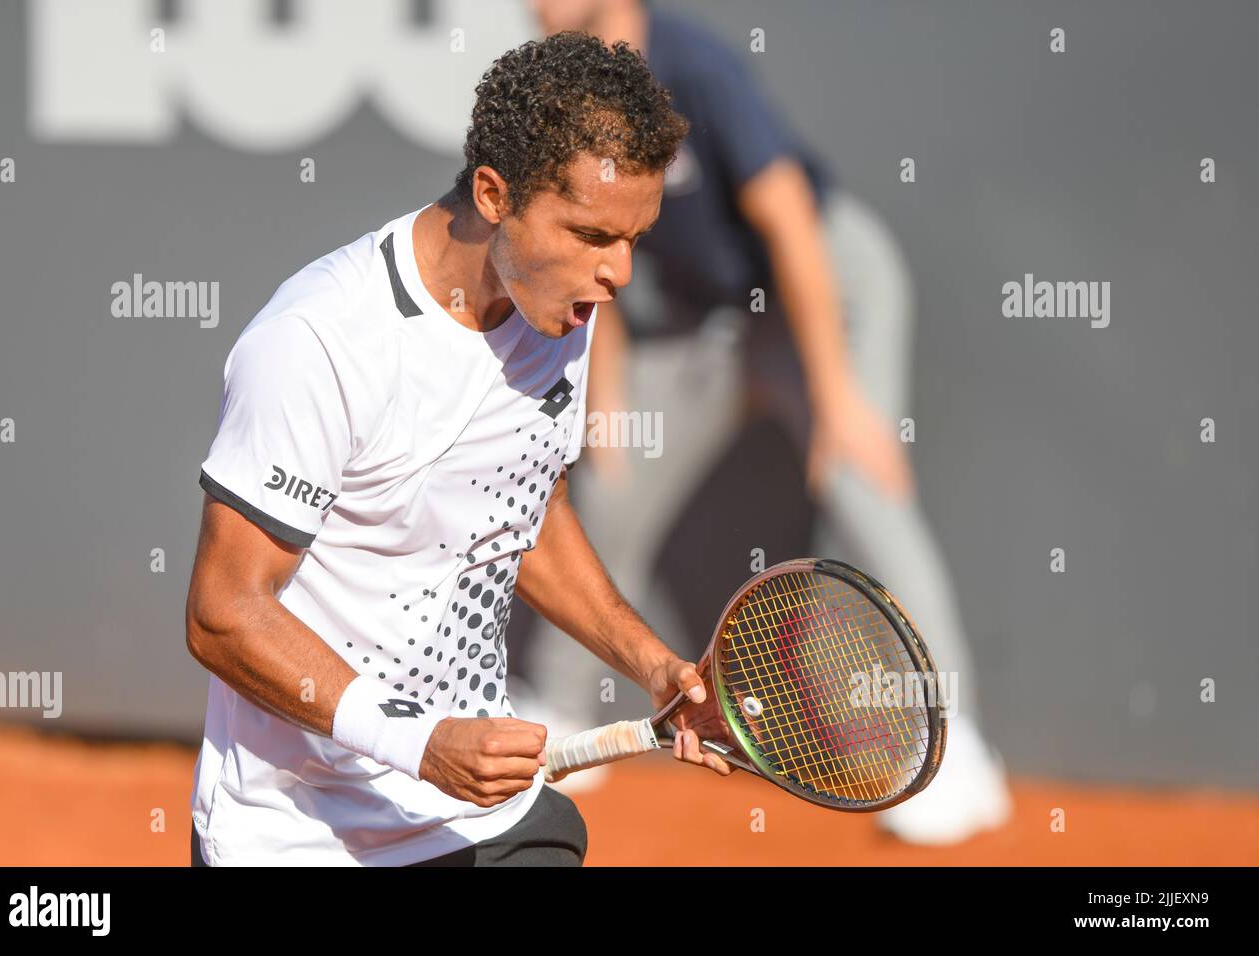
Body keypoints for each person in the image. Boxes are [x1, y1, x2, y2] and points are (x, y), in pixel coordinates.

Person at [185, 31, 732, 867]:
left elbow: (522, 505)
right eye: (590, 235)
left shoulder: (560, 309)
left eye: (634, 238)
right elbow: (225, 612)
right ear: (492, 194)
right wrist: (421, 743)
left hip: (470, 822)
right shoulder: (321, 340)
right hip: (295, 835)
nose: (619, 272)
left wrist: (653, 665)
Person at [522, 0, 1011, 845]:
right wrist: (606, 405)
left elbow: (788, 219)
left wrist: (837, 397)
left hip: (823, 290)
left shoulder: (694, 64)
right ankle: (562, 723)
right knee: (610, 481)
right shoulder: (566, 93)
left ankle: (951, 747)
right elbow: (594, 249)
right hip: (712, 326)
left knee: (861, 483)